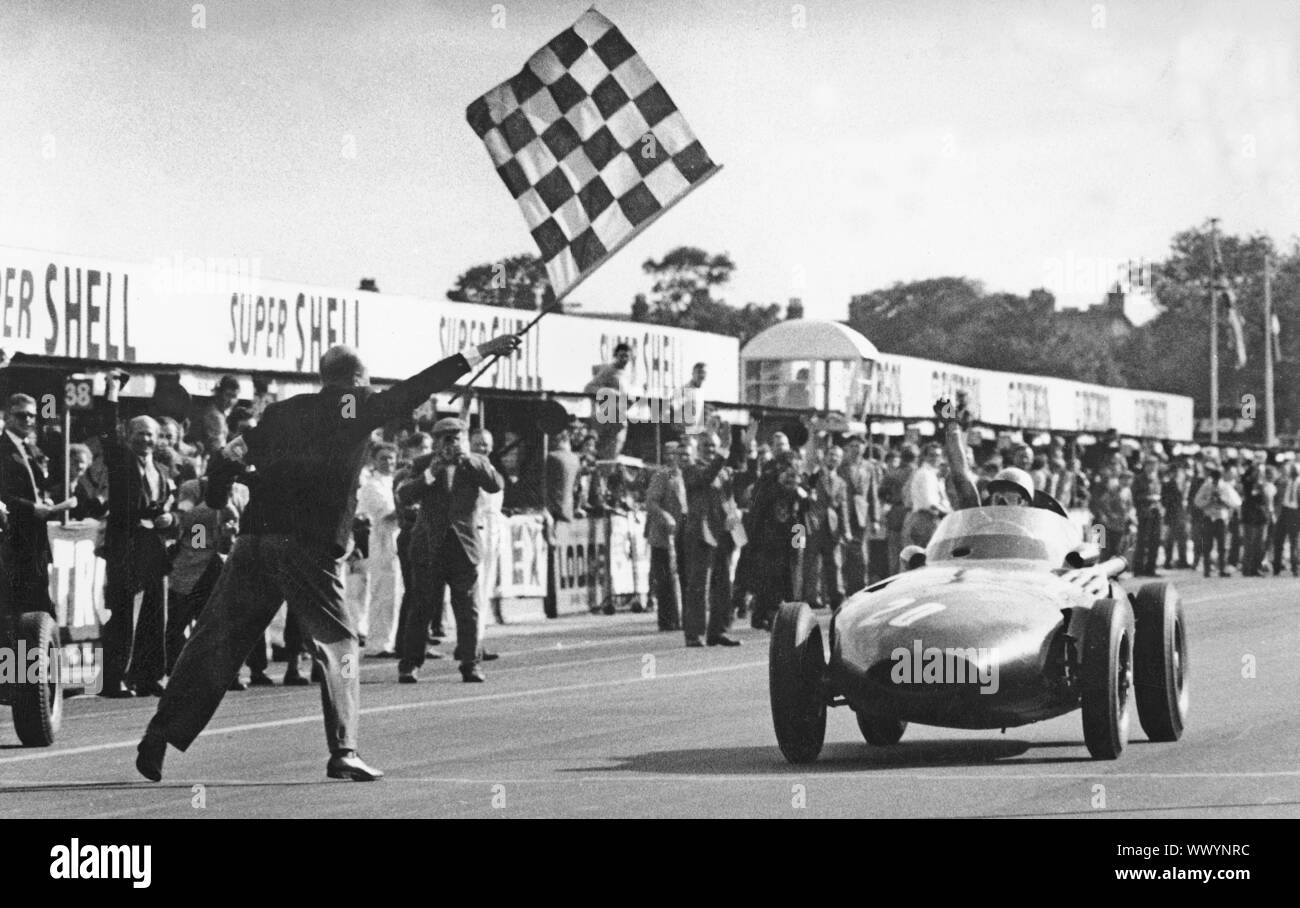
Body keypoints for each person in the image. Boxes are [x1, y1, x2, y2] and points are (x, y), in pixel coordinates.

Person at [135, 333, 522, 783]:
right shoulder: (353, 407)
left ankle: (158, 735)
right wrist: (479, 352)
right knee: (339, 644)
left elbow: (225, 457)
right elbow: (417, 387)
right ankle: (344, 749)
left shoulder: (281, 411)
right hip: (308, 547)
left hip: (255, 542)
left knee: (213, 640)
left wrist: (219, 497)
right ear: (357, 379)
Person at [396, 417, 504, 684]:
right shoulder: (423, 464)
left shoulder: (475, 464)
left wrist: (469, 459)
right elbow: (405, 495)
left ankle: (471, 662)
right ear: (435, 441)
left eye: (456, 438)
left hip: (462, 545)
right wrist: (431, 473)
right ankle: (410, 663)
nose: (451, 443)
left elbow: (495, 484)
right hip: (429, 545)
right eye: (446, 438)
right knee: (422, 605)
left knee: (467, 607)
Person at [93, 389, 178, 699]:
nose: (145, 440)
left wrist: (170, 520)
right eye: (140, 434)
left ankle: (151, 676)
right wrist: (112, 390)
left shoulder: (165, 471)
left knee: (157, 614)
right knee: (123, 614)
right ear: (129, 436)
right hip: (126, 547)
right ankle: (113, 679)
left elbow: (172, 512)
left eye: (150, 435)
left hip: (154, 549)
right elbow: (106, 429)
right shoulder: (121, 462)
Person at [0, 394, 75, 628]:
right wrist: (32, 508)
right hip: (12, 538)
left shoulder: (32, 449)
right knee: (16, 606)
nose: (29, 420)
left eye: (33, 415)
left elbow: (42, 484)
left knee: (39, 601)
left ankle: (38, 660)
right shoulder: (2, 449)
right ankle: (18, 660)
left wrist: (48, 501)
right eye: (22, 415)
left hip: (36, 538)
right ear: (8, 416)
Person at [682, 431, 745, 648]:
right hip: (702, 533)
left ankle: (720, 631)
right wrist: (722, 452)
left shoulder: (725, 471)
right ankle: (694, 634)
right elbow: (706, 476)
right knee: (699, 585)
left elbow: (730, 499)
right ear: (698, 448)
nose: (710, 449)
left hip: (723, 534)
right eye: (707, 446)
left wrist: (734, 522)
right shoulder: (691, 469)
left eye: (713, 446)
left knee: (723, 585)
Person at [746, 452, 807, 630]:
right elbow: (759, 506)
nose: (791, 470)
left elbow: (809, 503)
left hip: (797, 528)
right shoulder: (768, 481)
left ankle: (792, 608)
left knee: (796, 567)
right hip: (773, 531)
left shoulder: (801, 479)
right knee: (773, 571)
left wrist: (801, 493)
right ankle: (771, 613)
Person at [354, 443, 403, 657]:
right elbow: (388, 515)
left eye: (391, 458)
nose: (388, 462)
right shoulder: (371, 486)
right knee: (382, 592)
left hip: (398, 540)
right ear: (374, 460)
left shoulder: (395, 482)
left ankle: (390, 640)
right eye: (383, 458)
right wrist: (408, 505)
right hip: (381, 540)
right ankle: (377, 643)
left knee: (395, 593)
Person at [644, 441, 688, 632]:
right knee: (666, 579)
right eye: (669, 453)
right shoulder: (662, 475)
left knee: (683, 577)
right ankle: (668, 620)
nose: (672, 457)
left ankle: (683, 618)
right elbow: (651, 502)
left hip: (684, 534)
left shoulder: (687, 475)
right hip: (663, 536)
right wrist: (665, 517)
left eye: (676, 453)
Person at [470, 428, 504, 654]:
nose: (483, 447)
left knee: (486, 587)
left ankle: (477, 640)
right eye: (479, 443)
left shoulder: (491, 469)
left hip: (494, 530)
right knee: (477, 588)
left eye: (486, 444)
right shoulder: (470, 468)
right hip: (478, 529)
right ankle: (472, 642)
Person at [804, 446, 849, 609]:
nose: (833, 459)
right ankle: (811, 597)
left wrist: (846, 530)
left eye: (837, 456)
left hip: (832, 525)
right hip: (813, 524)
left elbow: (843, 507)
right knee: (812, 562)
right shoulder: (815, 475)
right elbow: (806, 485)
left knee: (834, 563)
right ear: (826, 457)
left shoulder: (841, 482)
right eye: (831, 455)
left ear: (841, 460)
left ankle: (836, 597)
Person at [838, 437, 880, 593]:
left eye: (859, 446)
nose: (856, 449)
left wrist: (875, 519)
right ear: (847, 448)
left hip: (861, 513)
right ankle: (842, 587)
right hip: (843, 513)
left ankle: (860, 586)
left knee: (861, 553)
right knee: (843, 552)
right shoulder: (841, 466)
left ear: (864, 448)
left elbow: (873, 493)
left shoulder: (869, 467)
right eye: (852, 445)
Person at [584, 342, 632, 459]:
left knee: (614, 453)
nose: (624, 359)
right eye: (621, 356)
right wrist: (611, 392)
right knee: (607, 454)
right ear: (616, 356)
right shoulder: (609, 370)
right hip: (608, 419)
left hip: (620, 418)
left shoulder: (626, 372)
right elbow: (589, 388)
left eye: (627, 356)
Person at [1194, 466, 1239, 578]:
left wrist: (1223, 501)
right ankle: (1207, 570)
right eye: (1214, 478)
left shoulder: (1226, 487)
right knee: (1207, 545)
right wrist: (1208, 501)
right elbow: (1197, 501)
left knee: (1222, 546)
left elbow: (1237, 502)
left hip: (1221, 518)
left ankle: (1222, 569)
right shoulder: (1206, 486)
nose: (1215, 481)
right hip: (1208, 517)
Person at [1130, 457, 1165, 577]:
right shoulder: (1139, 479)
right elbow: (1134, 496)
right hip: (1144, 513)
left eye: (1154, 464)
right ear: (1145, 466)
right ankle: (1138, 569)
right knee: (1142, 541)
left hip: (1156, 512)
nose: (1152, 467)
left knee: (1155, 541)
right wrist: (1147, 498)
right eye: (1150, 464)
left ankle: (1151, 568)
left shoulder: (1157, 478)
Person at [192, 374, 241, 455]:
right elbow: (217, 447)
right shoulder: (214, 415)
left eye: (234, 396)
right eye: (228, 395)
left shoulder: (220, 413)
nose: (230, 400)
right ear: (219, 393)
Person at [1162, 461, 1193, 569]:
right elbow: (1164, 501)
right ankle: (1168, 561)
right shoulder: (1167, 484)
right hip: (1172, 514)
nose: (1175, 474)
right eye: (1173, 472)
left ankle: (1182, 560)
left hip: (1181, 514)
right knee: (1170, 539)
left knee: (1182, 538)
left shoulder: (1183, 483)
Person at [1272, 462, 1300, 577]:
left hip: (1295, 512)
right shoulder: (1285, 482)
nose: (1293, 471)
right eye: (1292, 469)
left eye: (1295, 470)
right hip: (1283, 511)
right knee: (1278, 540)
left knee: (1294, 541)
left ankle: (1295, 568)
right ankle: (1276, 568)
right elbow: (1277, 495)